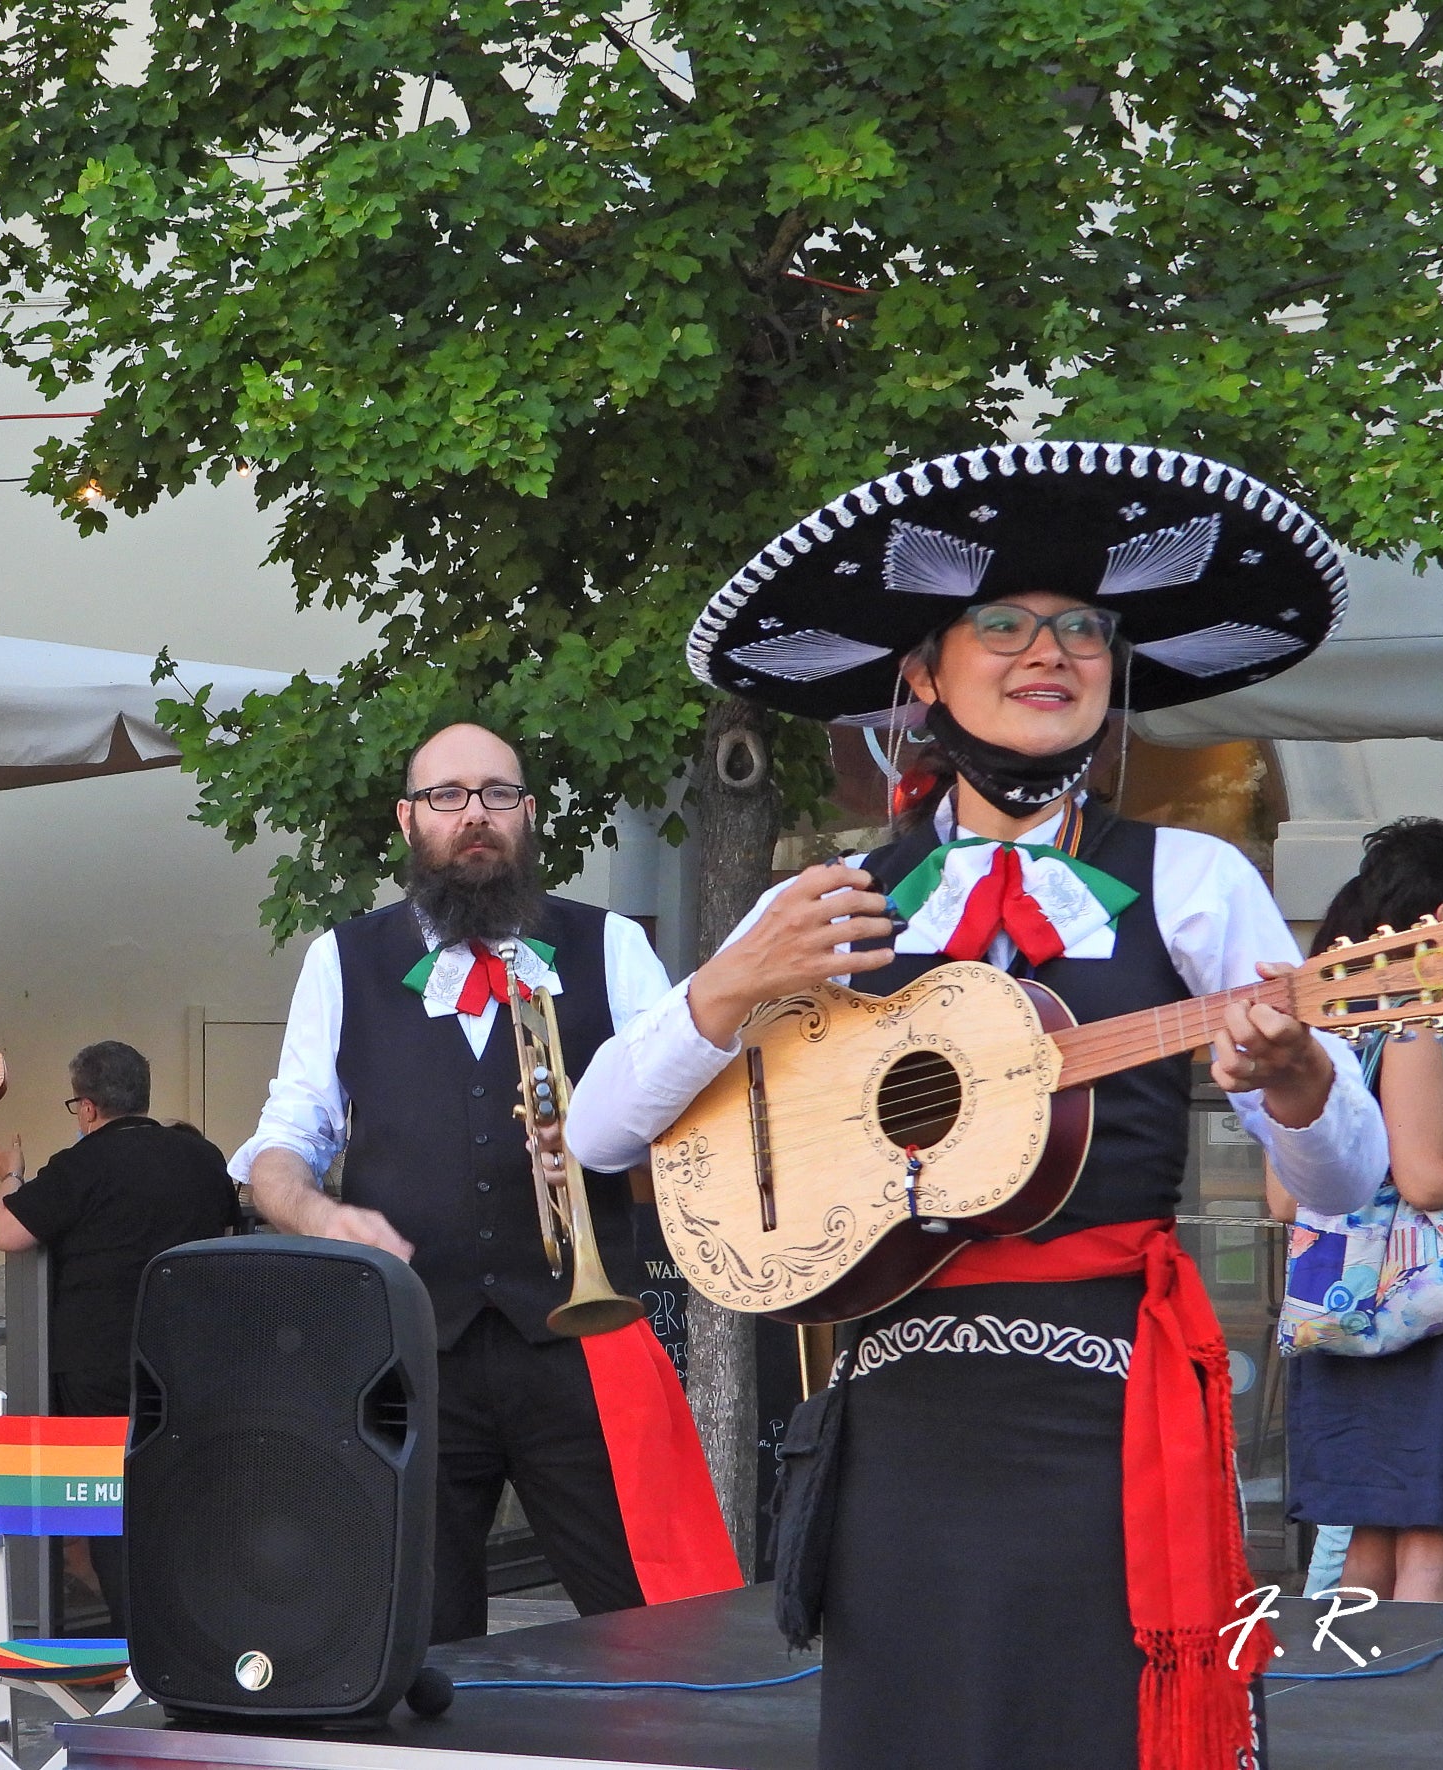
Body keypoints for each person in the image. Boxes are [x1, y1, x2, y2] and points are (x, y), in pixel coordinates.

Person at [564, 441, 1389, 1770]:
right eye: (1000, 623)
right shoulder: (830, 903)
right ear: (922, 673)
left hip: (1104, 1398)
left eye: (1082, 628)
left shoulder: (1190, 877)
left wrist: (1295, 1076)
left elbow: (1349, 1181)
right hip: (901, 1407)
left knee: (1092, 1721)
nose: (1046, 648)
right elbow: (601, 1133)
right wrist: (726, 985)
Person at [234, 721, 740, 1645]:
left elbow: (691, 1122)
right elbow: (282, 1141)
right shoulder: (341, 960)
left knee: (650, 1619)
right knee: (412, 1631)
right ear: (408, 819)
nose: (475, 815)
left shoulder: (611, 944)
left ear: (529, 814)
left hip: (578, 1342)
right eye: (447, 796)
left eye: (497, 794)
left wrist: (605, 1146)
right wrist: (316, 1211)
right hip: (409, 1348)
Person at [1280, 818, 1443, 1601]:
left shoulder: (1315, 1029)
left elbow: (1286, 1194)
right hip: (1439, 1314)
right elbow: (1425, 1178)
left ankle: (1350, 1705)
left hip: (1343, 1309)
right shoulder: (1412, 1023)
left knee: (1367, 1537)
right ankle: (1409, 1689)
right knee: (1432, 1528)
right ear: (1439, 918)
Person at [0, 1039, 241, 1628]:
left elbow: (8, 1233)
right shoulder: (201, 1160)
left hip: (99, 1363)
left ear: (89, 1107)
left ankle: (130, 1644)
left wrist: (11, 1175)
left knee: (104, 1507)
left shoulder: (83, 1163)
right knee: (181, 1499)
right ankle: (193, 1634)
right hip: (190, 1359)